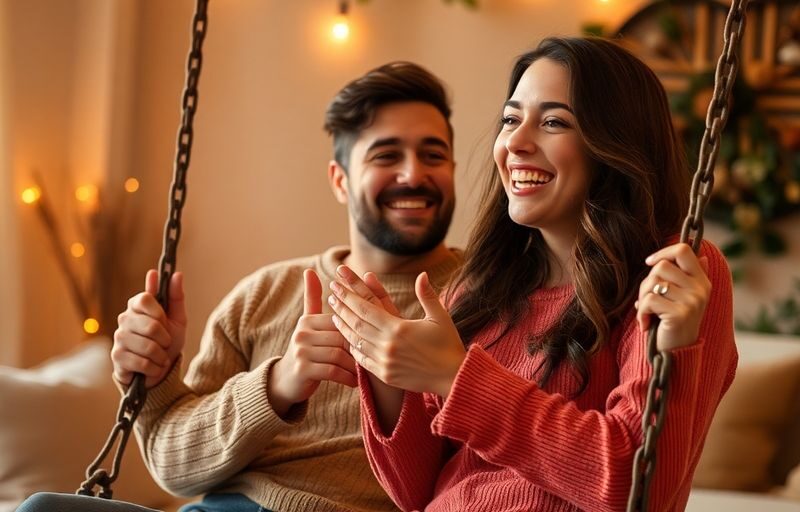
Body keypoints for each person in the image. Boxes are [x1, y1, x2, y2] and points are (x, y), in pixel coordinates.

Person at [17, 62, 462, 512]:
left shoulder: (487, 296)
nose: (413, 174)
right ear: (340, 180)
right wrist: (273, 384)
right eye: (386, 156)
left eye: (433, 155)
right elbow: (176, 472)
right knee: (41, 510)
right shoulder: (264, 294)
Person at [326, 37, 737, 512]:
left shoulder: (673, 271)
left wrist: (455, 377)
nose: (516, 144)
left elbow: (637, 488)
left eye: (553, 122)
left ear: (615, 144)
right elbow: (414, 491)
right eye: (510, 119)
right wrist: (384, 367)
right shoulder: (481, 285)